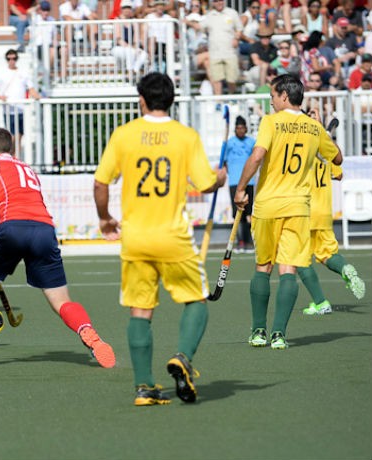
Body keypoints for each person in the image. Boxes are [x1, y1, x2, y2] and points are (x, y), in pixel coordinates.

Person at [94, 72, 226, 406]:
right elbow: (205, 182)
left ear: (141, 99)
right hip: (173, 236)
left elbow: (101, 183)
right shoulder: (186, 136)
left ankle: (144, 387)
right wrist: (220, 178)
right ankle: (182, 356)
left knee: (140, 312)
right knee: (196, 300)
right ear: (172, 100)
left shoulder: (124, 134)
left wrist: (105, 218)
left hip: (135, 238)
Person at [0, 127, 116, 369]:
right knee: (61, 300)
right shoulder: (26, 167)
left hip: (13, 227)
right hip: (44, 229)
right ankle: (90, 335)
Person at [233, 74, 342, 350]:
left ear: (284, 96)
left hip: (268, 205)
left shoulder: (271, 122)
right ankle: (279, 334)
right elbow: (337, 158)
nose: (270, 102)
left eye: (272, 96)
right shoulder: (313, 128)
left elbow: (257, 156)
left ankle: (259, 331)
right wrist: (321, 134)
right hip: (298, 207)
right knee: (288, 269)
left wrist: (241, 188)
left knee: (263, 266)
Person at [297, 147, 365, 315]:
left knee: (300, 259)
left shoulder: (301, 144)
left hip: (305, 210)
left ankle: (320, 302)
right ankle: (344, 268)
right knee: (327, 254)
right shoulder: (326, 149)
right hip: (325, 211)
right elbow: (339, 174)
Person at [0, 49, 40, 152]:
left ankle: (15, 156)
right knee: (12, 136)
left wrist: (40, 98)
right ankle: (12, 154)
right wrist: (1, 97)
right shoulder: (1, 73)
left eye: (14, 58)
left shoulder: (23, 73)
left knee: (19, 135)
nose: (11, 61)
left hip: (21, 109)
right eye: (9, 59)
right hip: (8, 109)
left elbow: (31, 89)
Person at [223, 116, 256, 253]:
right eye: (238, 128)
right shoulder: (229, 143)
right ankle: (239, 242)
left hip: (249, 181)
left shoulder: (252, 142)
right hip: (234, 182)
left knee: (249, 213)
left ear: (246, 129)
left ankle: (250, 242)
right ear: (235, 129)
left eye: (243, 128)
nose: (241, 130)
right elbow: (224, 161)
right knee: (237, 213)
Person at [202, 0, 243, 95]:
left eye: (220, 0)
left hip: (230, 52)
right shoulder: (209, 15)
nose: (219, 3)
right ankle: (218, 101)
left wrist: (236, 38)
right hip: (214, 53)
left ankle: (231, 99)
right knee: (216, 80)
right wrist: (186, 21)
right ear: (213, 3)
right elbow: (200, 27)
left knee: (232, 79)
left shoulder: (232, 13)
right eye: (216, 1)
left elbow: (239, 29)